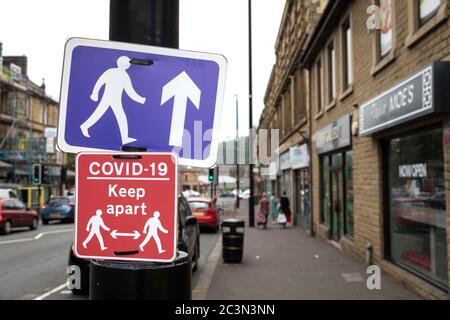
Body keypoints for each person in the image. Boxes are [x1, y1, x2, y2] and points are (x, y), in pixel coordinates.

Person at [80, 56, 147, 145]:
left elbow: (129, 91)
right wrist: (141, 100)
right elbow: (130, 91)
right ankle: (84, 126)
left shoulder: (115, 72)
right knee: (103, 114)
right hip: (109, 98)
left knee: (116, 116)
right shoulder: (120, 74)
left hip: (114, 100)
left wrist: (95, 93)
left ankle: (124, 138)